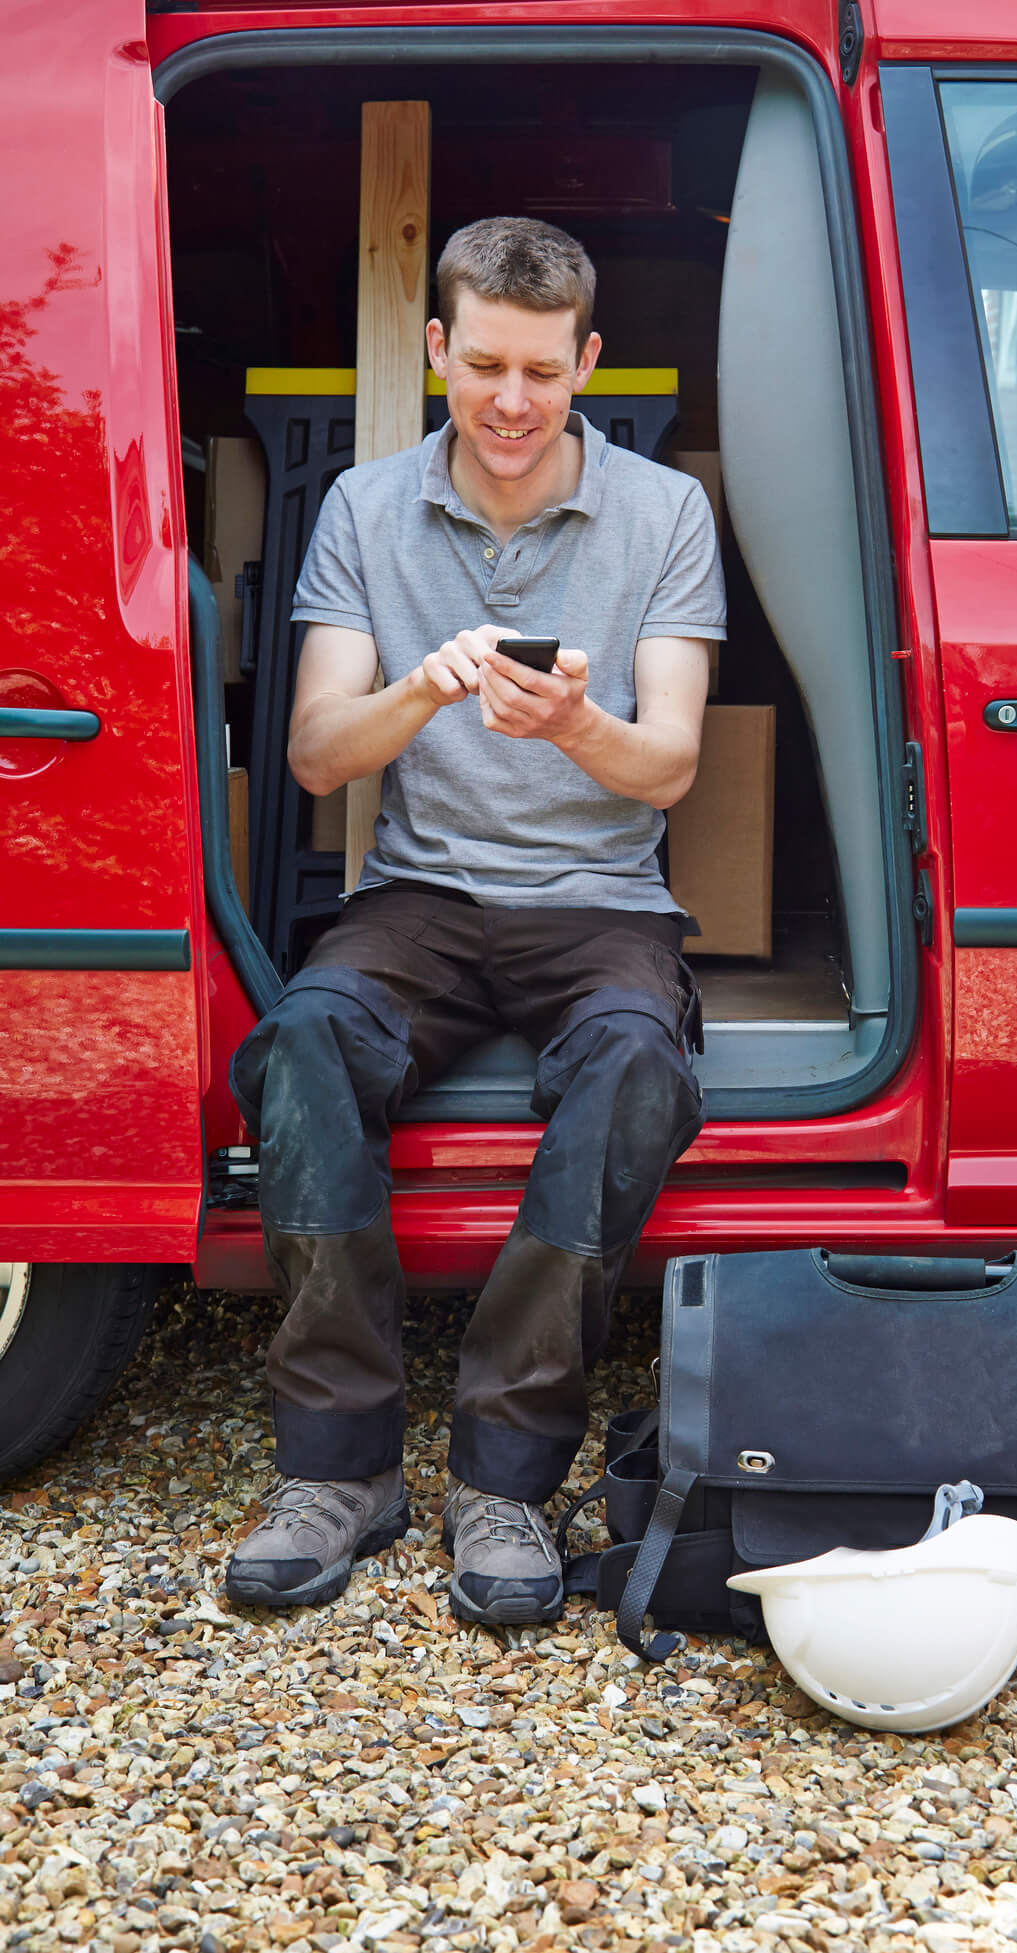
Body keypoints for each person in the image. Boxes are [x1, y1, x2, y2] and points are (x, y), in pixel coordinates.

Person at [226, 216, 725, 1626]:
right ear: (438, 347)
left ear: (587, 363)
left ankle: (504, 1471)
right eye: (485, 364)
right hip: (422, 897)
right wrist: (422, 693)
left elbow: (670, 762)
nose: (512, 402)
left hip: (600, 903)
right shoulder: (368, 510)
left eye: (543, 372)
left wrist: (574, 722)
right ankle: (338, 1468)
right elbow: (323, 752)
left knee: (637, 1072)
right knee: (301, 1043)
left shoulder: (662, 512)